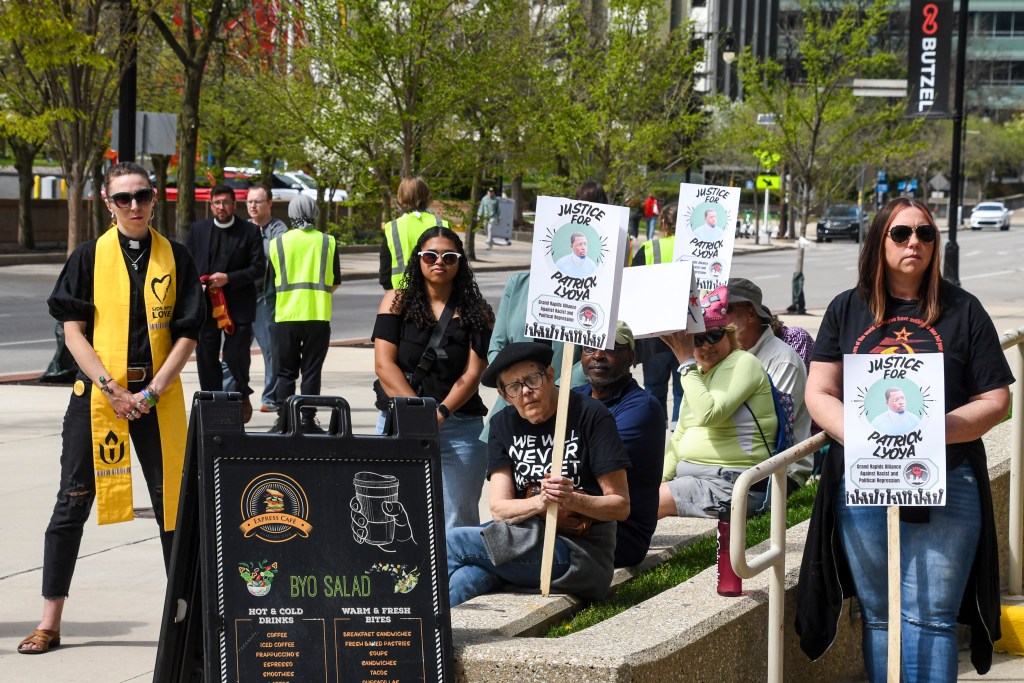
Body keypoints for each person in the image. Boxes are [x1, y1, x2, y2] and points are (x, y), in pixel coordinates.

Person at [795, 198, 1013, 681]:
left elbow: (996, 399)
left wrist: (933, 432)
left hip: (947, 478)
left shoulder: (964, 310)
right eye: (901, 233)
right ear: (879, 241)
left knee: (932, 616)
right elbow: (820, 391)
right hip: (867, 478)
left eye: (925, 234)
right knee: (880, 614)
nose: (914, 242)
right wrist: (864, 436)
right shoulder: (846, 308)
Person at [19, 161, 205, 654]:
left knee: (174, 508)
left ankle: (187, 624)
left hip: (157, 398)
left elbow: (188, 332)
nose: (134, 205)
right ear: (108, 204)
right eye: (123, 198)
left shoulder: (176, 257)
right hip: (100, 398)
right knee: (72, 501)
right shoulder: (88, 256)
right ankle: (49, 622)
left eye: (142, 195)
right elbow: (73, 332)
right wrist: (112, 389)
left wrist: (153, 391)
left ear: (154, 198)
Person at [447, 342, 630, 607]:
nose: (525, 392)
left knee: (453, 541)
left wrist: (571, 499)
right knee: (466, 579)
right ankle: (434, 632)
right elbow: (499, 509)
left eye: (532, 379)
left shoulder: (590, 414)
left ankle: (410, 619)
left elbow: (620, 506)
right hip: (520, 539)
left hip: (578, 552)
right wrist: (541, 502)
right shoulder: (502, 424)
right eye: (514, 387)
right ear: (504, 395)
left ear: (550, 375)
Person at [373, 226, 494, 530]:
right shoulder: (395, 301)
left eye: (449, 257)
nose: (439, 262)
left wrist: (439, 414)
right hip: (400, 421)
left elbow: (473, 374)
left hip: (459, 426)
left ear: (460, 262)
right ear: (419, 259)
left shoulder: (478, 312)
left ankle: (456, 564)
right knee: (391, 514)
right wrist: (418, 414)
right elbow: (384, 365)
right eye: (430, 255)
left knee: (457, 519)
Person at [657, 289, 777, 519]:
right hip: (696, 479)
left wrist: (685, 363)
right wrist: (658, 480)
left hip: (732, 483)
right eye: (697, 339)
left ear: (729, 334)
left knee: (641, 505)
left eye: (715, 335)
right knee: (638, 496)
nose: (706, 345)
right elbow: (681, 434)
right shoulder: (697, 374)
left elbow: (708, 414)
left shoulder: (743, 362)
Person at [573, 321, 665, 567]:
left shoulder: (641, 408)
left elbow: (585, 467)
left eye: (610, 348)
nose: (597, 355)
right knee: (483, 544)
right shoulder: (574, 397)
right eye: (589, 347)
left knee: (486, 547)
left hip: (618, 534)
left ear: (631, 357)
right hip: (570, 519)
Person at [186, 184, 265, 423]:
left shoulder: (249, 232)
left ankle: (240, 394)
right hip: (206, 307)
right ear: (211, 205)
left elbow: (258, 268)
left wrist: (229, 278)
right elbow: (187, 265)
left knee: (236, 356)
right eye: (217, 203)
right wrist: (196, 284)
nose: (222, 207)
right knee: (206, 356)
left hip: (238, 306)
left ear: (234, 205)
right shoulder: (198, 230)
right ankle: (211, 403)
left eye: (226, 202)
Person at [725, 277, 812, 490]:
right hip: (735, 464)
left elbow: (772, 430)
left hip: (778, 471)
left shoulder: (782, 360)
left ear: (751, 314)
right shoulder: (726, 355)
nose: (718, 317)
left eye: (726, 309)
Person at [268, 195, 340, 434]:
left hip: (286, 316)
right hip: (317, 315)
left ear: (291, 214)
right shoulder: (328, 242)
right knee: (311, 372)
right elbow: (335, 281)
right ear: (314, 212)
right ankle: (308, 421)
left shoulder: (278, 243)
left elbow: (271, 284)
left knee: (285, 373)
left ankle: (284, 422)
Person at [631, 203, 683, 424]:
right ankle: (679, 435)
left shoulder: (650, 249)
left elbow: (632, 290)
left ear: (662, 223)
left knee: (654, 389)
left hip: (655, 335)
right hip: (689, 333)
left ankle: (655, 432)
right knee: (684, 392)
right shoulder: (697, 250)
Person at [246, 185, 289, 413]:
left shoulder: (278, 230)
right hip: (242, 294)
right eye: (249, 202)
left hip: (264, 296)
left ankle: (270, 398)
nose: (253, 206)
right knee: (235, 350)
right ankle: (232, 394)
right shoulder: (243, 227)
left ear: (269, 203)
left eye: (258, 201)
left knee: (270, 349)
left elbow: (277, 257)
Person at [378, 176, 450, 290]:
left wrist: (393, 296)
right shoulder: (442, 224)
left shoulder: (393, 228)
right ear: (426, 196)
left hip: (403, 294)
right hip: (438, 293)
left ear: (400, 198)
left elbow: (385, 274)